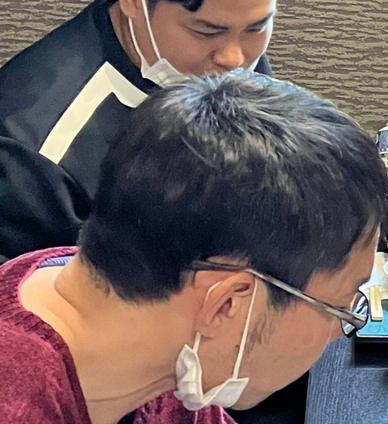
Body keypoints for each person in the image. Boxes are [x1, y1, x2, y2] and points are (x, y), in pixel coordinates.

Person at [0, 71, 388, 424]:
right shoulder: (16, 423)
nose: (338, 332)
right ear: (228, 303)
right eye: (339, 307)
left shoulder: (169, 347)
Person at [0, 0, 276, 263]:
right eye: (207, 32)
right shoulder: (32, 153)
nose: (234, 59)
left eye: (257, 28)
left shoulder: (219, 58)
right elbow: (20, 289)